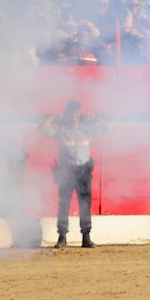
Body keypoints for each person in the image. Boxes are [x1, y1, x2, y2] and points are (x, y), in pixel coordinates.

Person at [39, 100, 108, 248]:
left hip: (83, 171)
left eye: (76, 112)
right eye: (71, 112)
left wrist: (95, 118)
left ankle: (86, 237)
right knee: (64, 205)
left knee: (85, 205)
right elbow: (42, 129)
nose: (74, 116)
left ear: (80, 113)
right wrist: (53, 117)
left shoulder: (86, 128)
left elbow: (106, 128)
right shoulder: (60, 128)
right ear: (67, 113)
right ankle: (62, 237)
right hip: (66, 172)